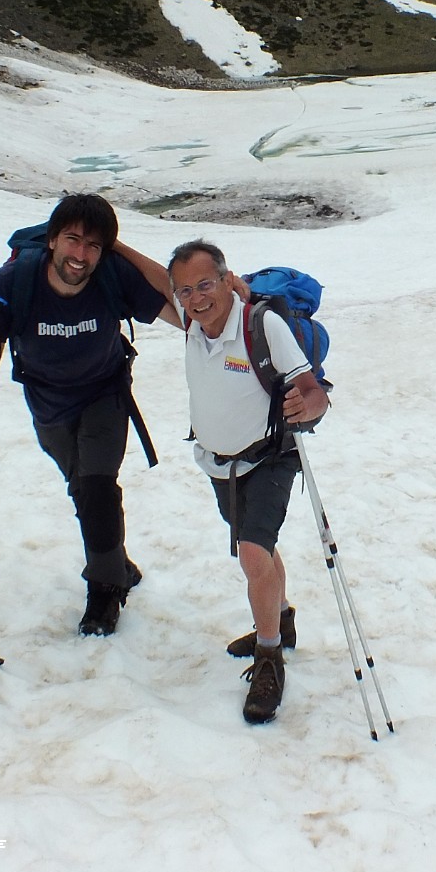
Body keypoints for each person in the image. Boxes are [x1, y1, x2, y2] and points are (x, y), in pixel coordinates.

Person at [0, 194, 180, 637]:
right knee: (81, 488)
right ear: (52, 240)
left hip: (106, 393)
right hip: (47, 404)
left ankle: (104, 592)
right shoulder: (15, 280)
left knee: (97, 487)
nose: (81, 255)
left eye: (94, 245)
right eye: (73, 240)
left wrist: (120, 250)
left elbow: (180, 308)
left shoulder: (111, 274)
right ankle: (115, 561)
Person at [168, 239, 329, 725]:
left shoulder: (261, 325)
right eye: (185, 290)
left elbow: (313, 392)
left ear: (225, 278)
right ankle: (281, 619)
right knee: (255, 544)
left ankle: (269, 658)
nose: (196, 298)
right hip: (220, 465)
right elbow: (153, 279)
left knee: (252, 552)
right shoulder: (193, 327)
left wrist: (310, 406)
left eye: (204, 284)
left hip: (269, 459)